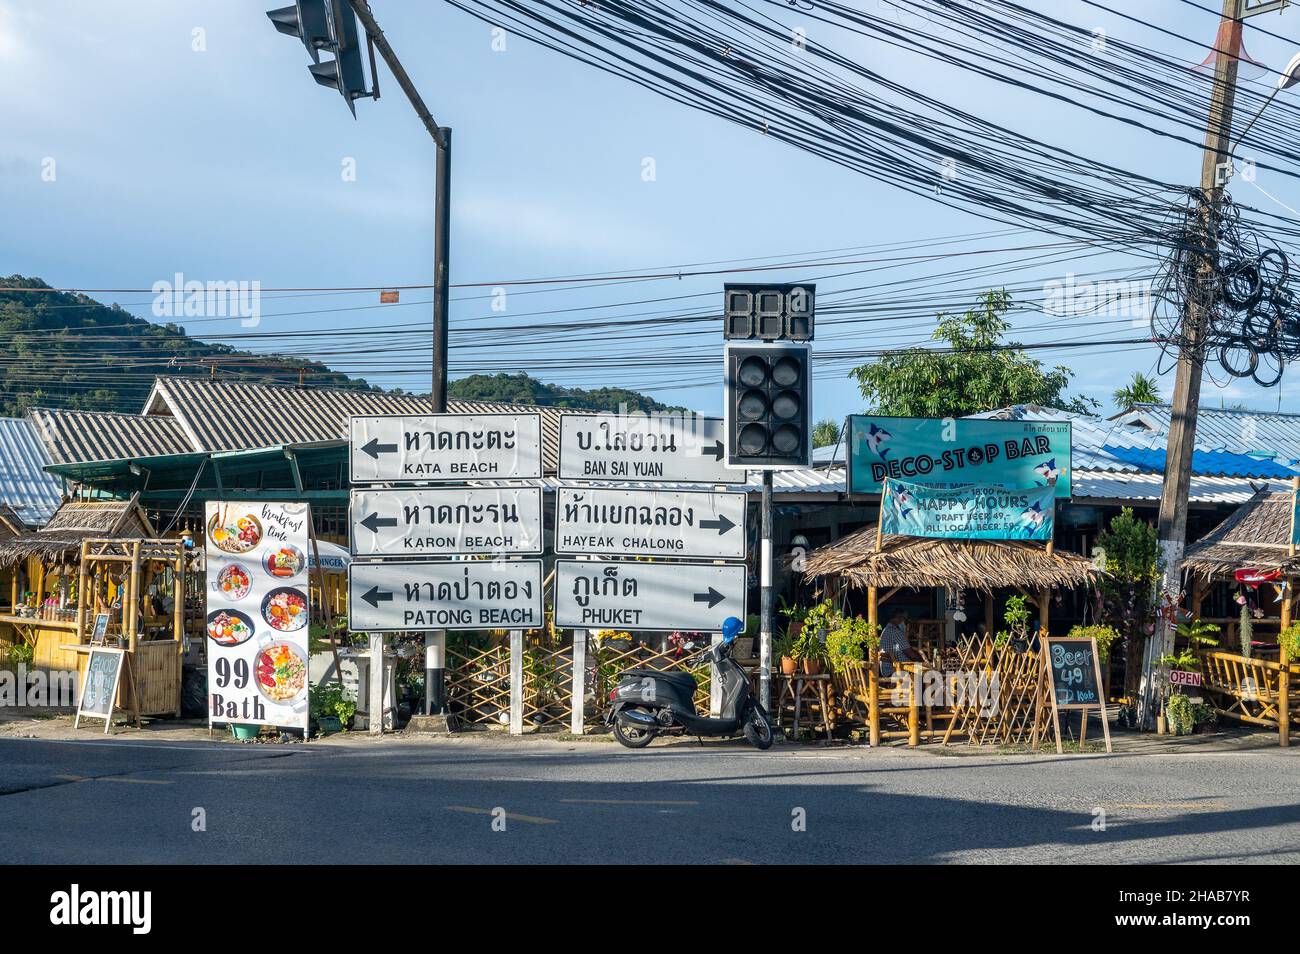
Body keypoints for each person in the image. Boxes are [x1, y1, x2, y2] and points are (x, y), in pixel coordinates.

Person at [879, 609, 921, 677]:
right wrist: (922, 661)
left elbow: (899, 649)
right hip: (895, 671)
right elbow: (910, 653)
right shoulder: (895, 631)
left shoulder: (886, 630)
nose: (906, 623)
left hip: (887, 670)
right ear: (900, 618)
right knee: (924, 673)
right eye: (906, 620)